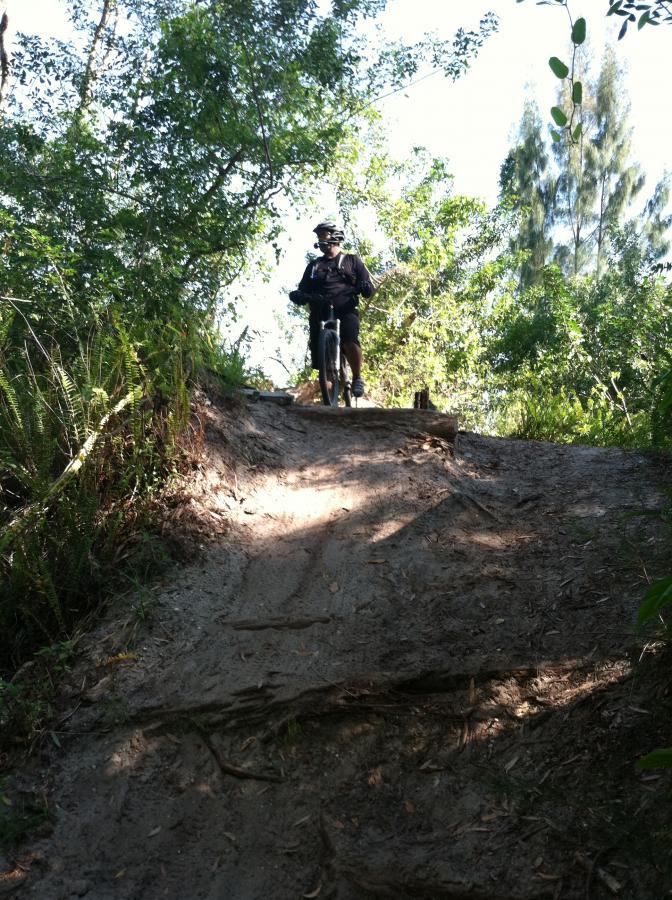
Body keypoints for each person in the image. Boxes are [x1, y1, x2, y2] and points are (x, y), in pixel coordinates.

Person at [289, 221, 375, 398]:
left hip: (345, 308)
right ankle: (329, 395)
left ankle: (357, 377)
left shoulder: (352, 261)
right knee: (318, 348)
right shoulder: (314, 266)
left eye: (324, 236)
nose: (320, 240)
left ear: (335, 237)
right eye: (319, 237)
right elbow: (302, 288)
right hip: (320, 310)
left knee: (350, 340)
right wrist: (298, 295)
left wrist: (365, 287)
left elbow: (368, 286)